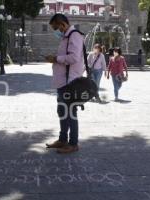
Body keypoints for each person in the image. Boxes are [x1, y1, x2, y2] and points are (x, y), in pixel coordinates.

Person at [45, 14, 84, 154]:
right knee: (62, 111)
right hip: (62, 82)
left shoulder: (75, 36)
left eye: (56, 28)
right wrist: (56, 59)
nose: (56, 31)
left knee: (70, 113)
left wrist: (55, 58)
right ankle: (63, 140)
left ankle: (73, 143)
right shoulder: (66, 37)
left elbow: (74, 58)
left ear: (62, 24)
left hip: (70, 82)